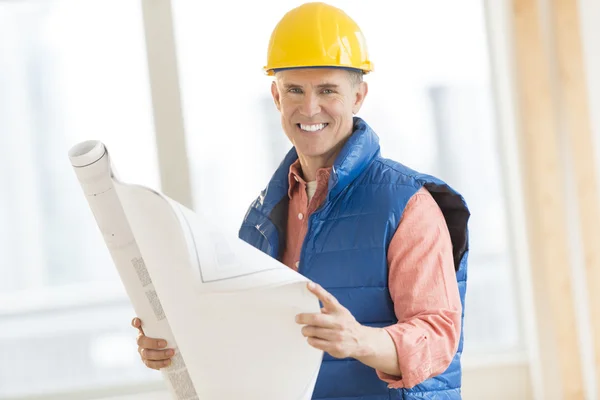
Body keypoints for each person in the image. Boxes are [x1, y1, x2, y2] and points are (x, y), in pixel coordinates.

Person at [132, 2, 470, 399]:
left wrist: (359, 341)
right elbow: (248, 339)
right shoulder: (263, 217)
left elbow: (438, 338)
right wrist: (176, 346)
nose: (310, 108)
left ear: (358, 95)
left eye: (327, 90)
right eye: (295, 90)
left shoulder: (408, 203)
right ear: (276, 97)